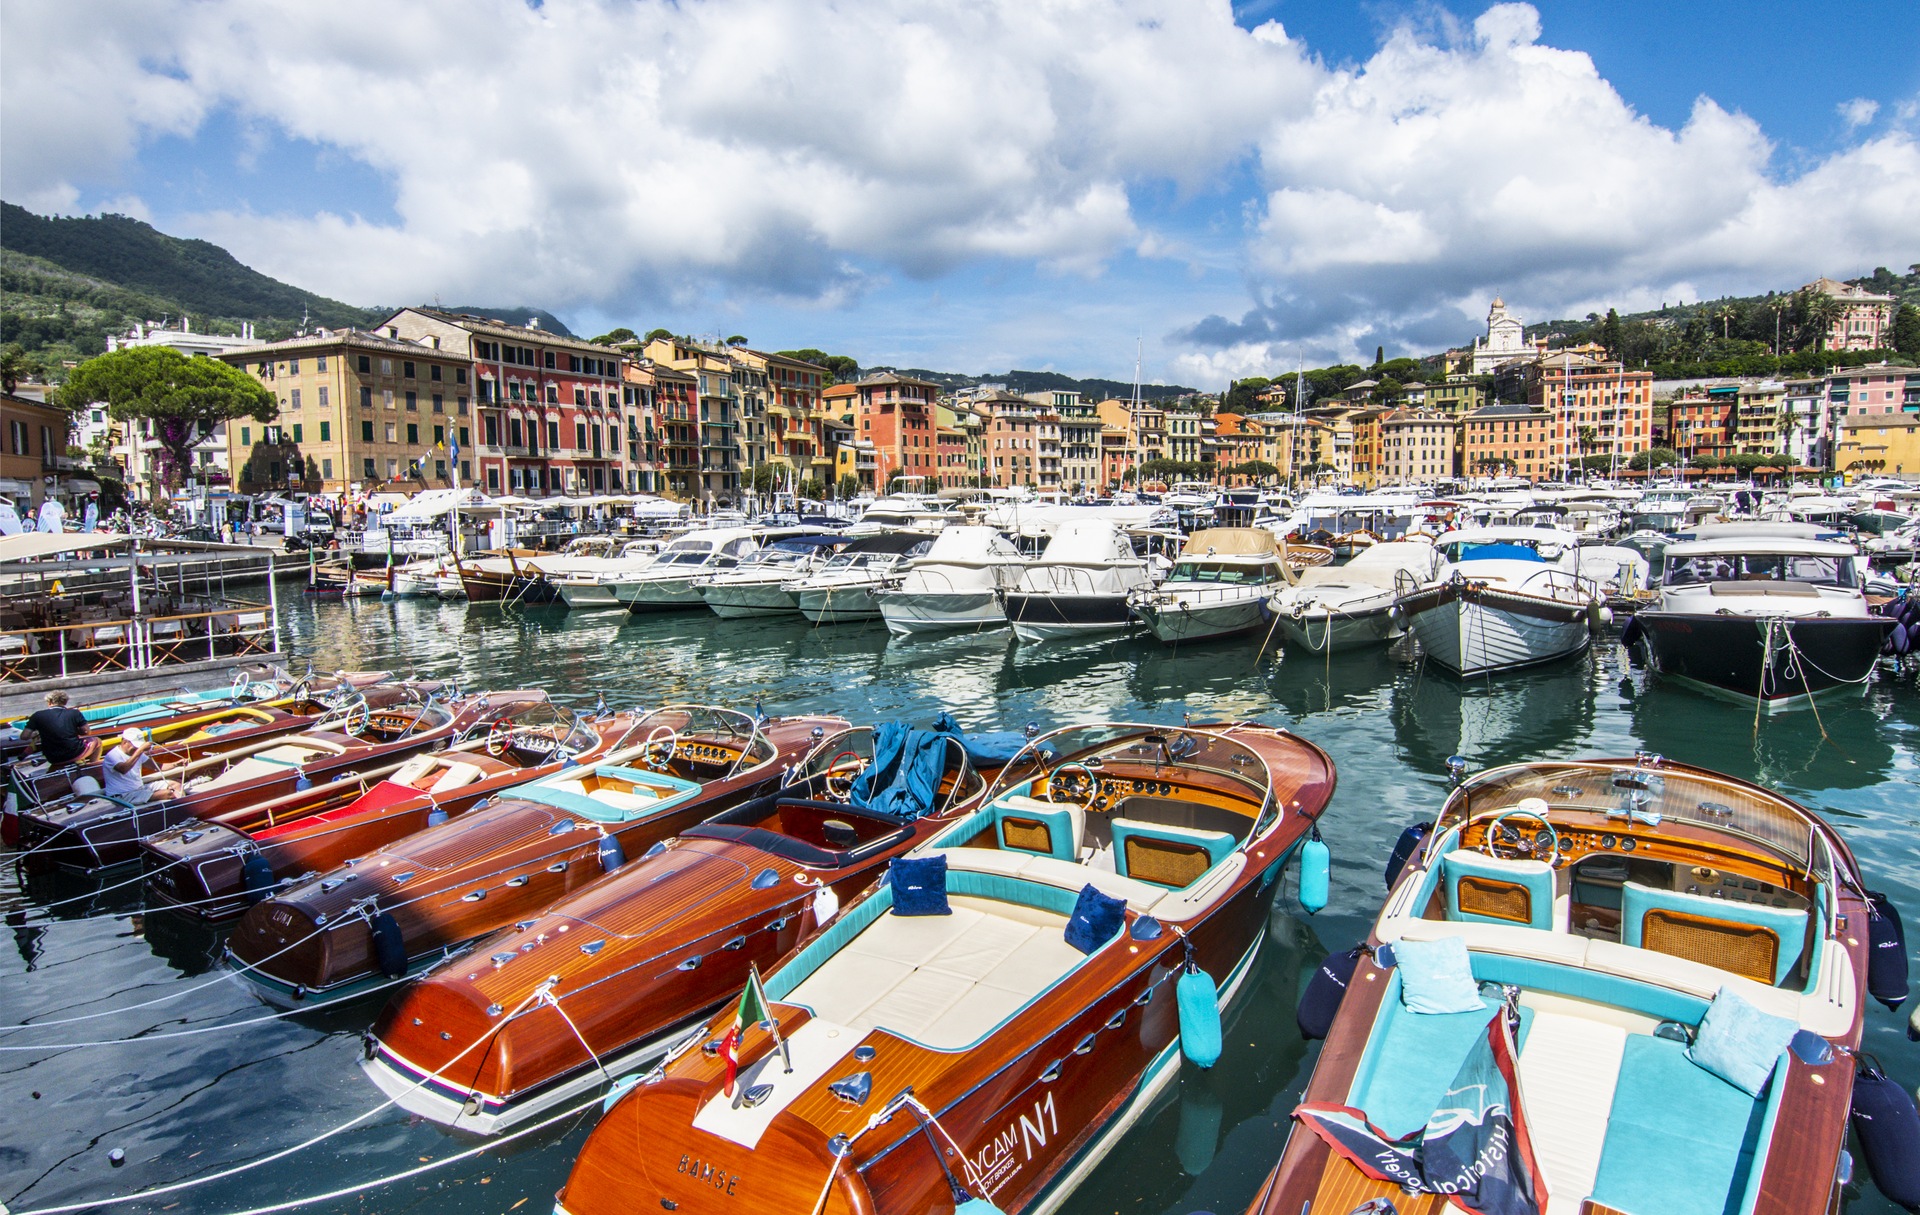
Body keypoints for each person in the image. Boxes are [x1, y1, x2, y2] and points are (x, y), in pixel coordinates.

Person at [101, 728, 182, 804]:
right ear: (125, 742)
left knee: (176, 785)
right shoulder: (112, 756)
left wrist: (176, 764)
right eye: (135, 746)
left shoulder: (137, 753)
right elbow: (123, 769)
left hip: (139, 789)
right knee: (167, 793)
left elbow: (157, 767)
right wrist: (140, 750)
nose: (136, 748)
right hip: (123, 795)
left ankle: (183, 808)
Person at [24, 691, 97, 768]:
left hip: (52, 758)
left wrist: (36, 733)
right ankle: (92, 767)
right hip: (73, 754)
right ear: (65, 702)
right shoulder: (74, 713)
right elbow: (87, 732)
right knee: (96, 741)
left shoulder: (37, 715)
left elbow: (24, 736)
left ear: (49, 702)